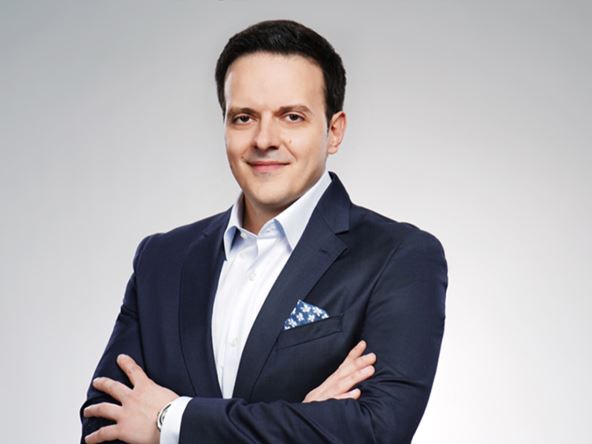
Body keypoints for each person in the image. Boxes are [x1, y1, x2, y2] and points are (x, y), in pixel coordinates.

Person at [80, 19, 448, 444]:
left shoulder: (399, 257)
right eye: (244, 118)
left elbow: (375, 431)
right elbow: (102, 427)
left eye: (292, 117)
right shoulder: (163, 259)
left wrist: (171, 420)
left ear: (334, 131)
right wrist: (303, 420)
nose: (264, 139)